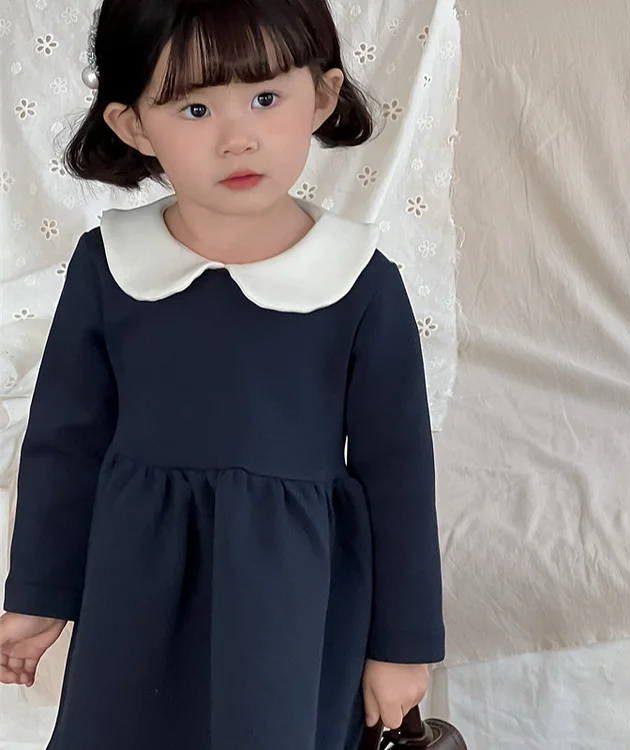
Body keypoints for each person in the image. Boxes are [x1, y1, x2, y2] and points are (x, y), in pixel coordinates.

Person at [0, 1, 445, 748]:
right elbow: (63, 445)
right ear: (134, 126)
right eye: (196, 108)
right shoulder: (110, 265)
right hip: (135, 587)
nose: (238, 137)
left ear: (322, 96)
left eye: (266, 97)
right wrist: (41, 593)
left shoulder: (359, 281)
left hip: (290, 599)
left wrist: (402, 646)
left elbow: (399, 477)